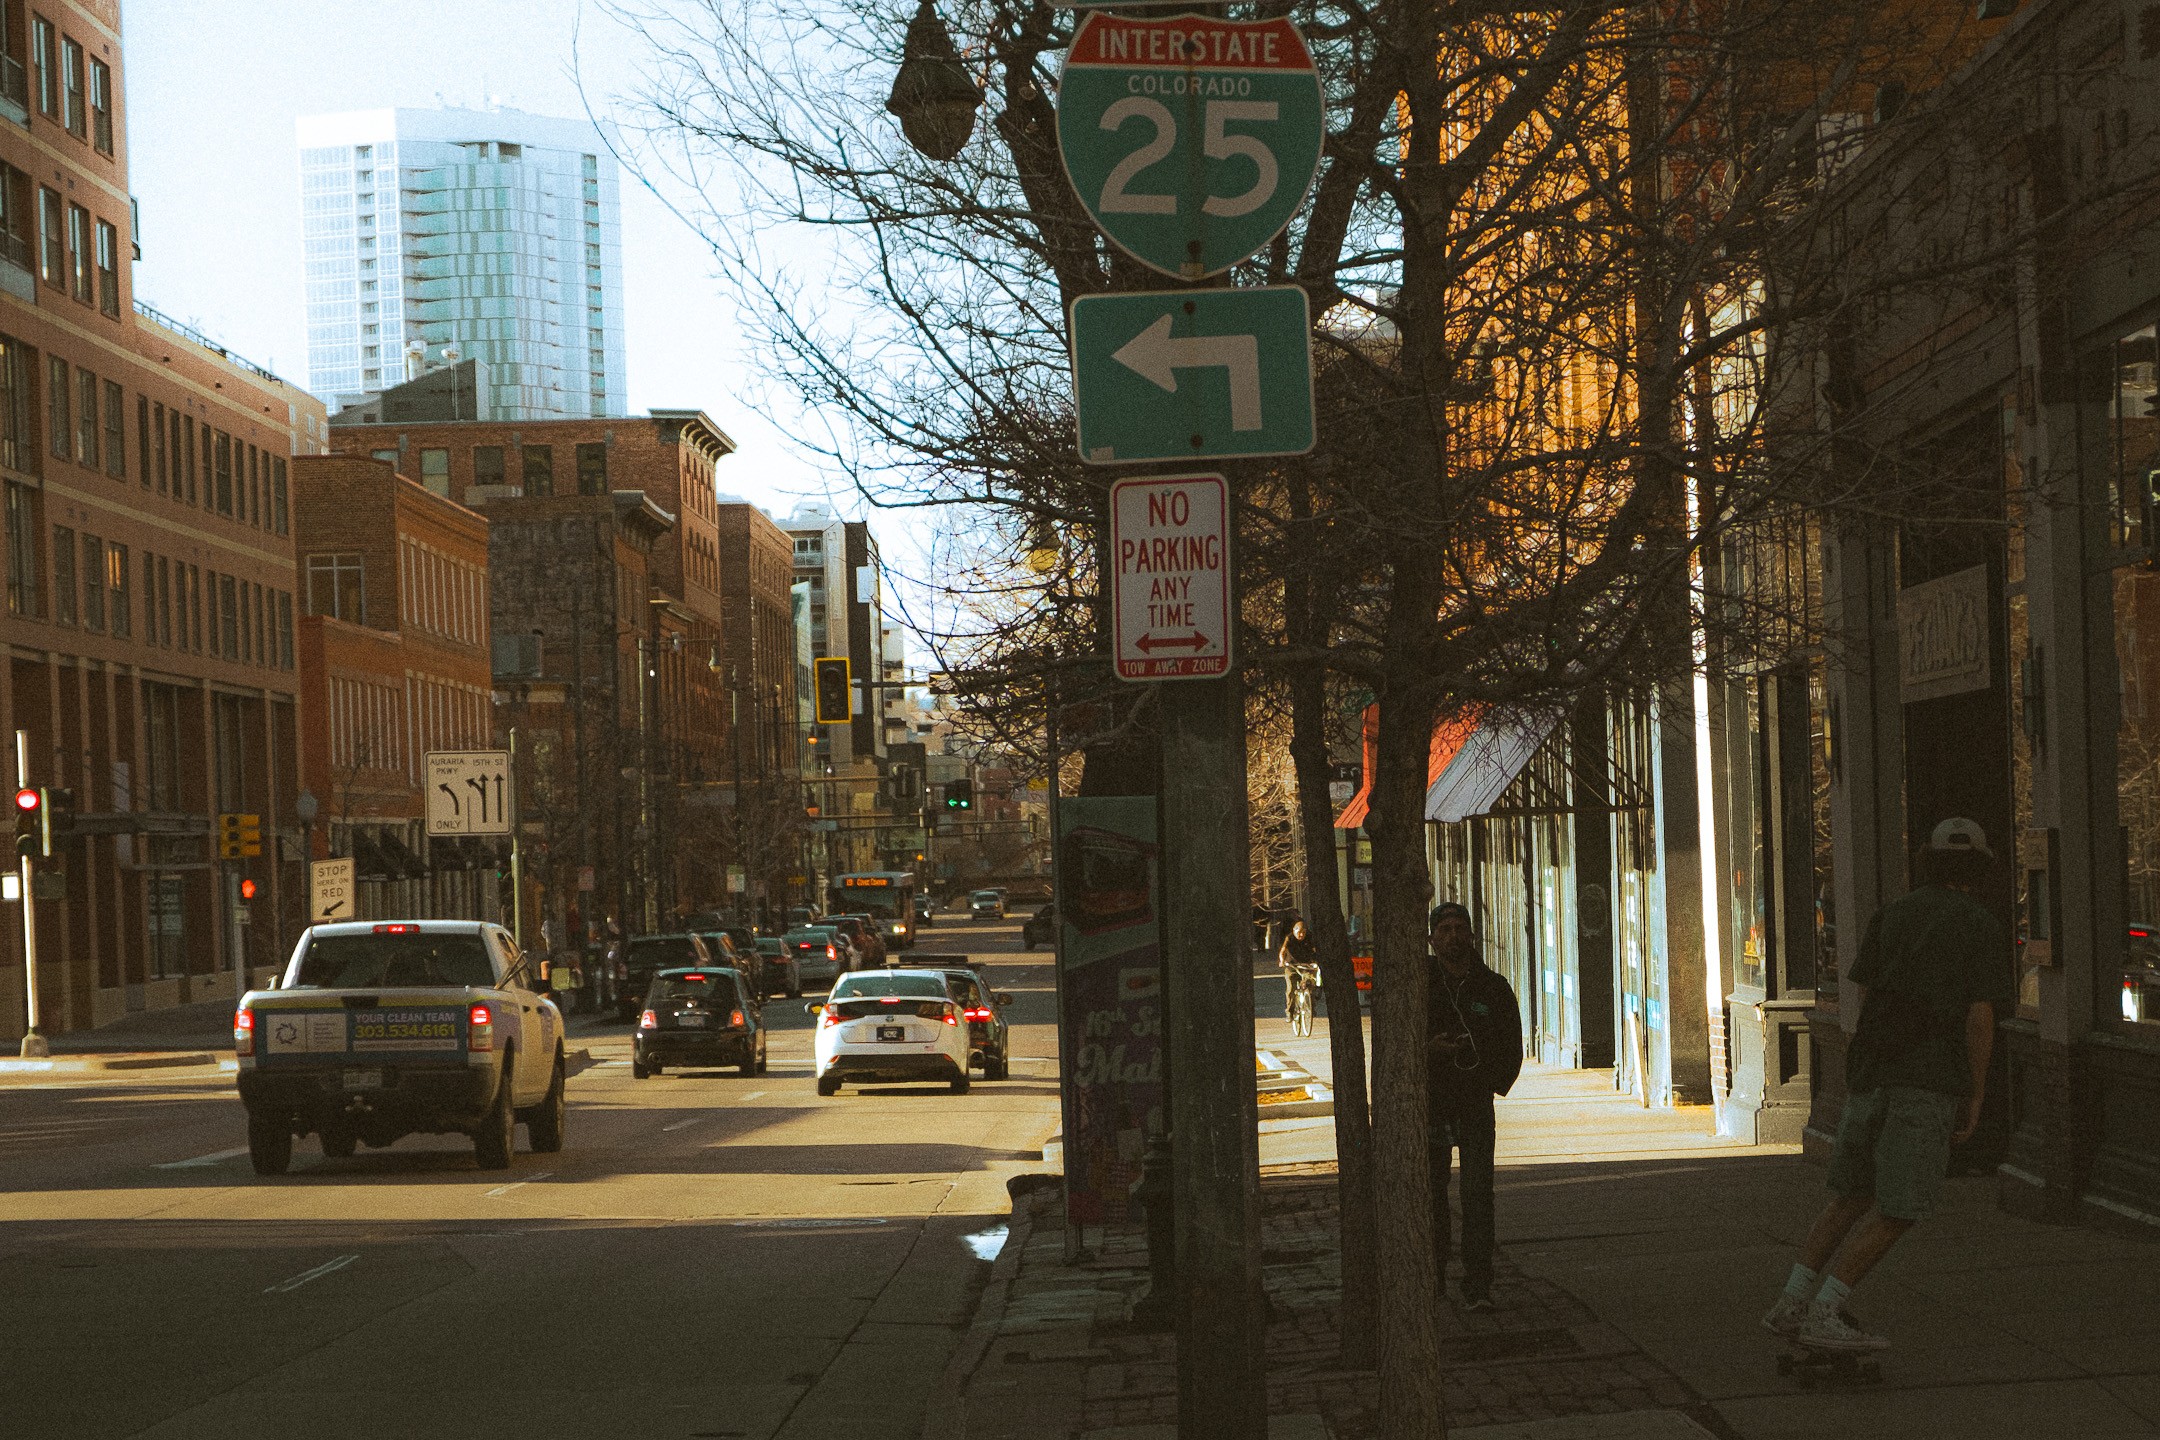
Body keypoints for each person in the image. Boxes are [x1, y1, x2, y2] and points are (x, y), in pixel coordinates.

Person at [1762, 817, 2012, 1352]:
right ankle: (1826, 1310)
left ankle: (1791, 1302)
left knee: (1851, 1195)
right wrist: (1976, 1091)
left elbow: (1868, 996)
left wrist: (1859, 1066)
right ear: (1981, 868)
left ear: (1928, 860)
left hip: (1873, 1075)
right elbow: (1979, 1015)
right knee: (1900, 1207)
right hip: (1927, 1080)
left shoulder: (1893, 915)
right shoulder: (1979, 925)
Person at [1426, 901, 1523, 1311]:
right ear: (1432, 938)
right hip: (1430, 1102)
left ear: (1471, 935)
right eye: (1444, 929)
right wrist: (1427, 1050)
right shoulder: (1420, 984)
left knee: (1477, 1196)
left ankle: (1478, 1285)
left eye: (1459, 928)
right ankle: (1432, 1282)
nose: (1452, 936)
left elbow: (1511, 1045)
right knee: (1431, 1196)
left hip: (1474, 1104)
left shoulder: (1493, 987)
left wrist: (1490, 1079)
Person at [1278, 916, 1321, 1032]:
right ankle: (1289, 1012)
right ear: (1294, 931)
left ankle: (1311, 1005)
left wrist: (1316, 961)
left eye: (1304, 933)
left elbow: (1315, 950)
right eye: (1299, 933)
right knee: (1291, 988)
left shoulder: (1309, 937)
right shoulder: (1290, 938)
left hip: (1306, 965)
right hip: (1292, 966)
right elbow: (1283, 951)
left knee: (1309, 983)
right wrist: (1282, 961)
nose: (1302, 935)